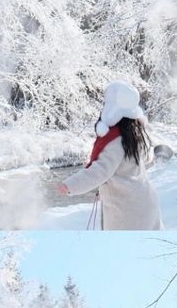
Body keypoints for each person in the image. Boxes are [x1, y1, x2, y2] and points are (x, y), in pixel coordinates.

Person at [58, 81, 163, 230]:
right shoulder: (136, 135)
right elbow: (147, 157)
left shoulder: (115, 141)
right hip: (147, 203)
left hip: (126, 210)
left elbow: (99, 172)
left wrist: (70, 185)